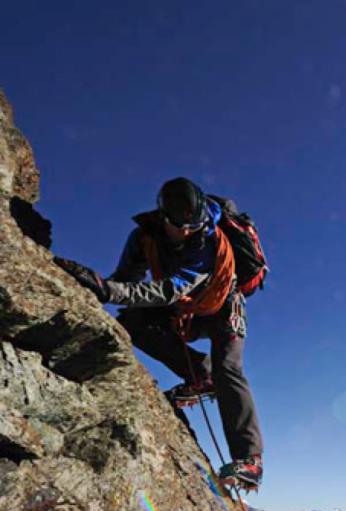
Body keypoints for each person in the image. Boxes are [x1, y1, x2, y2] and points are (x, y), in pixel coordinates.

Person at [56, 177, 263, 490]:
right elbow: (127, 279)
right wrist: (100, 288)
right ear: (164, 218)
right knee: (133, 321)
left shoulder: (209, 241)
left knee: (229, 368)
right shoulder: (144, 238)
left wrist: (109, 290)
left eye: (194, 226)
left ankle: (250, 460)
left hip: (223, 306)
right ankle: (199, 376)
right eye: (182, 226)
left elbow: (172, 288)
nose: (188, 233)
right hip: (186, 309)